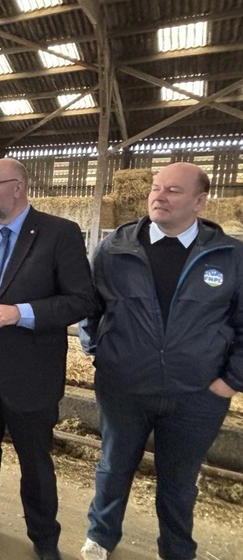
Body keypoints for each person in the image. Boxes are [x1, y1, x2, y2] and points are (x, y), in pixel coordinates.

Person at [79, 162, 242, 560]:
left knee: (180, 479)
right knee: (114, 467)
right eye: (156, 188)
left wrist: (231, 380)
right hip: (125, 387)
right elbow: (91, 308)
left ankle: (176, 548)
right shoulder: (114, 248)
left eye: (173, 191)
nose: (159, 196)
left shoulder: (230, 256)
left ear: (200, 201)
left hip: (197, 394)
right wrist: (101, 352)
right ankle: (101, 536)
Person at [0, 158, 96, 560]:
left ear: (18, 187)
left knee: (35, 462)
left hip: (31, 373)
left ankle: (44, 540)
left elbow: (81, 300)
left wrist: (21, 312)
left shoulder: (60, 234)